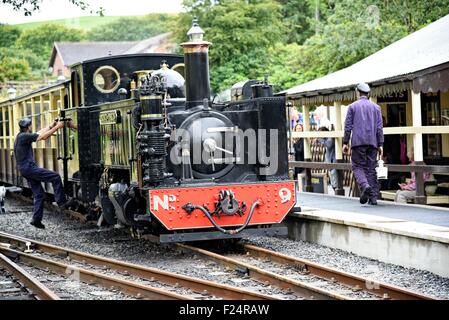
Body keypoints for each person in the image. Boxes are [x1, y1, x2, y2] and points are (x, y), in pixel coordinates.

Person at [14, 117, 75, 229]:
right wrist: (58, 127)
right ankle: (62, 202)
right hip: (29, 168)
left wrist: (51, 126)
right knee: (55, 177)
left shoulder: (21, 136)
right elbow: (43, 136)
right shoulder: (24, 136)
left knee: (39, 195)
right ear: (29, 126)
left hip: (25, 169)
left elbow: (39, 133)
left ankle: (36, 220)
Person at [343, 82, 383, 205]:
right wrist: (380, 143)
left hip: (358, 142)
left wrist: (345, 142)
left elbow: (348, 126)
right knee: (371, 169)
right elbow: (379, 127)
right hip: (373, 142)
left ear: (358, 92)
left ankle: (365, 185)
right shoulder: (376, 108)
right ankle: (373, 198)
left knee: (357, 166)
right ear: (368, 93)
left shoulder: (352, 107)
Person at [315, 126, 337, 190]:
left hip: (333, 161)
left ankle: (337, 191)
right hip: (330, 161)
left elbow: (329, 144)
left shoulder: (330, 137)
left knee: (334, 179)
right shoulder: (325, 139)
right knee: (332, 178)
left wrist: (319, 139)